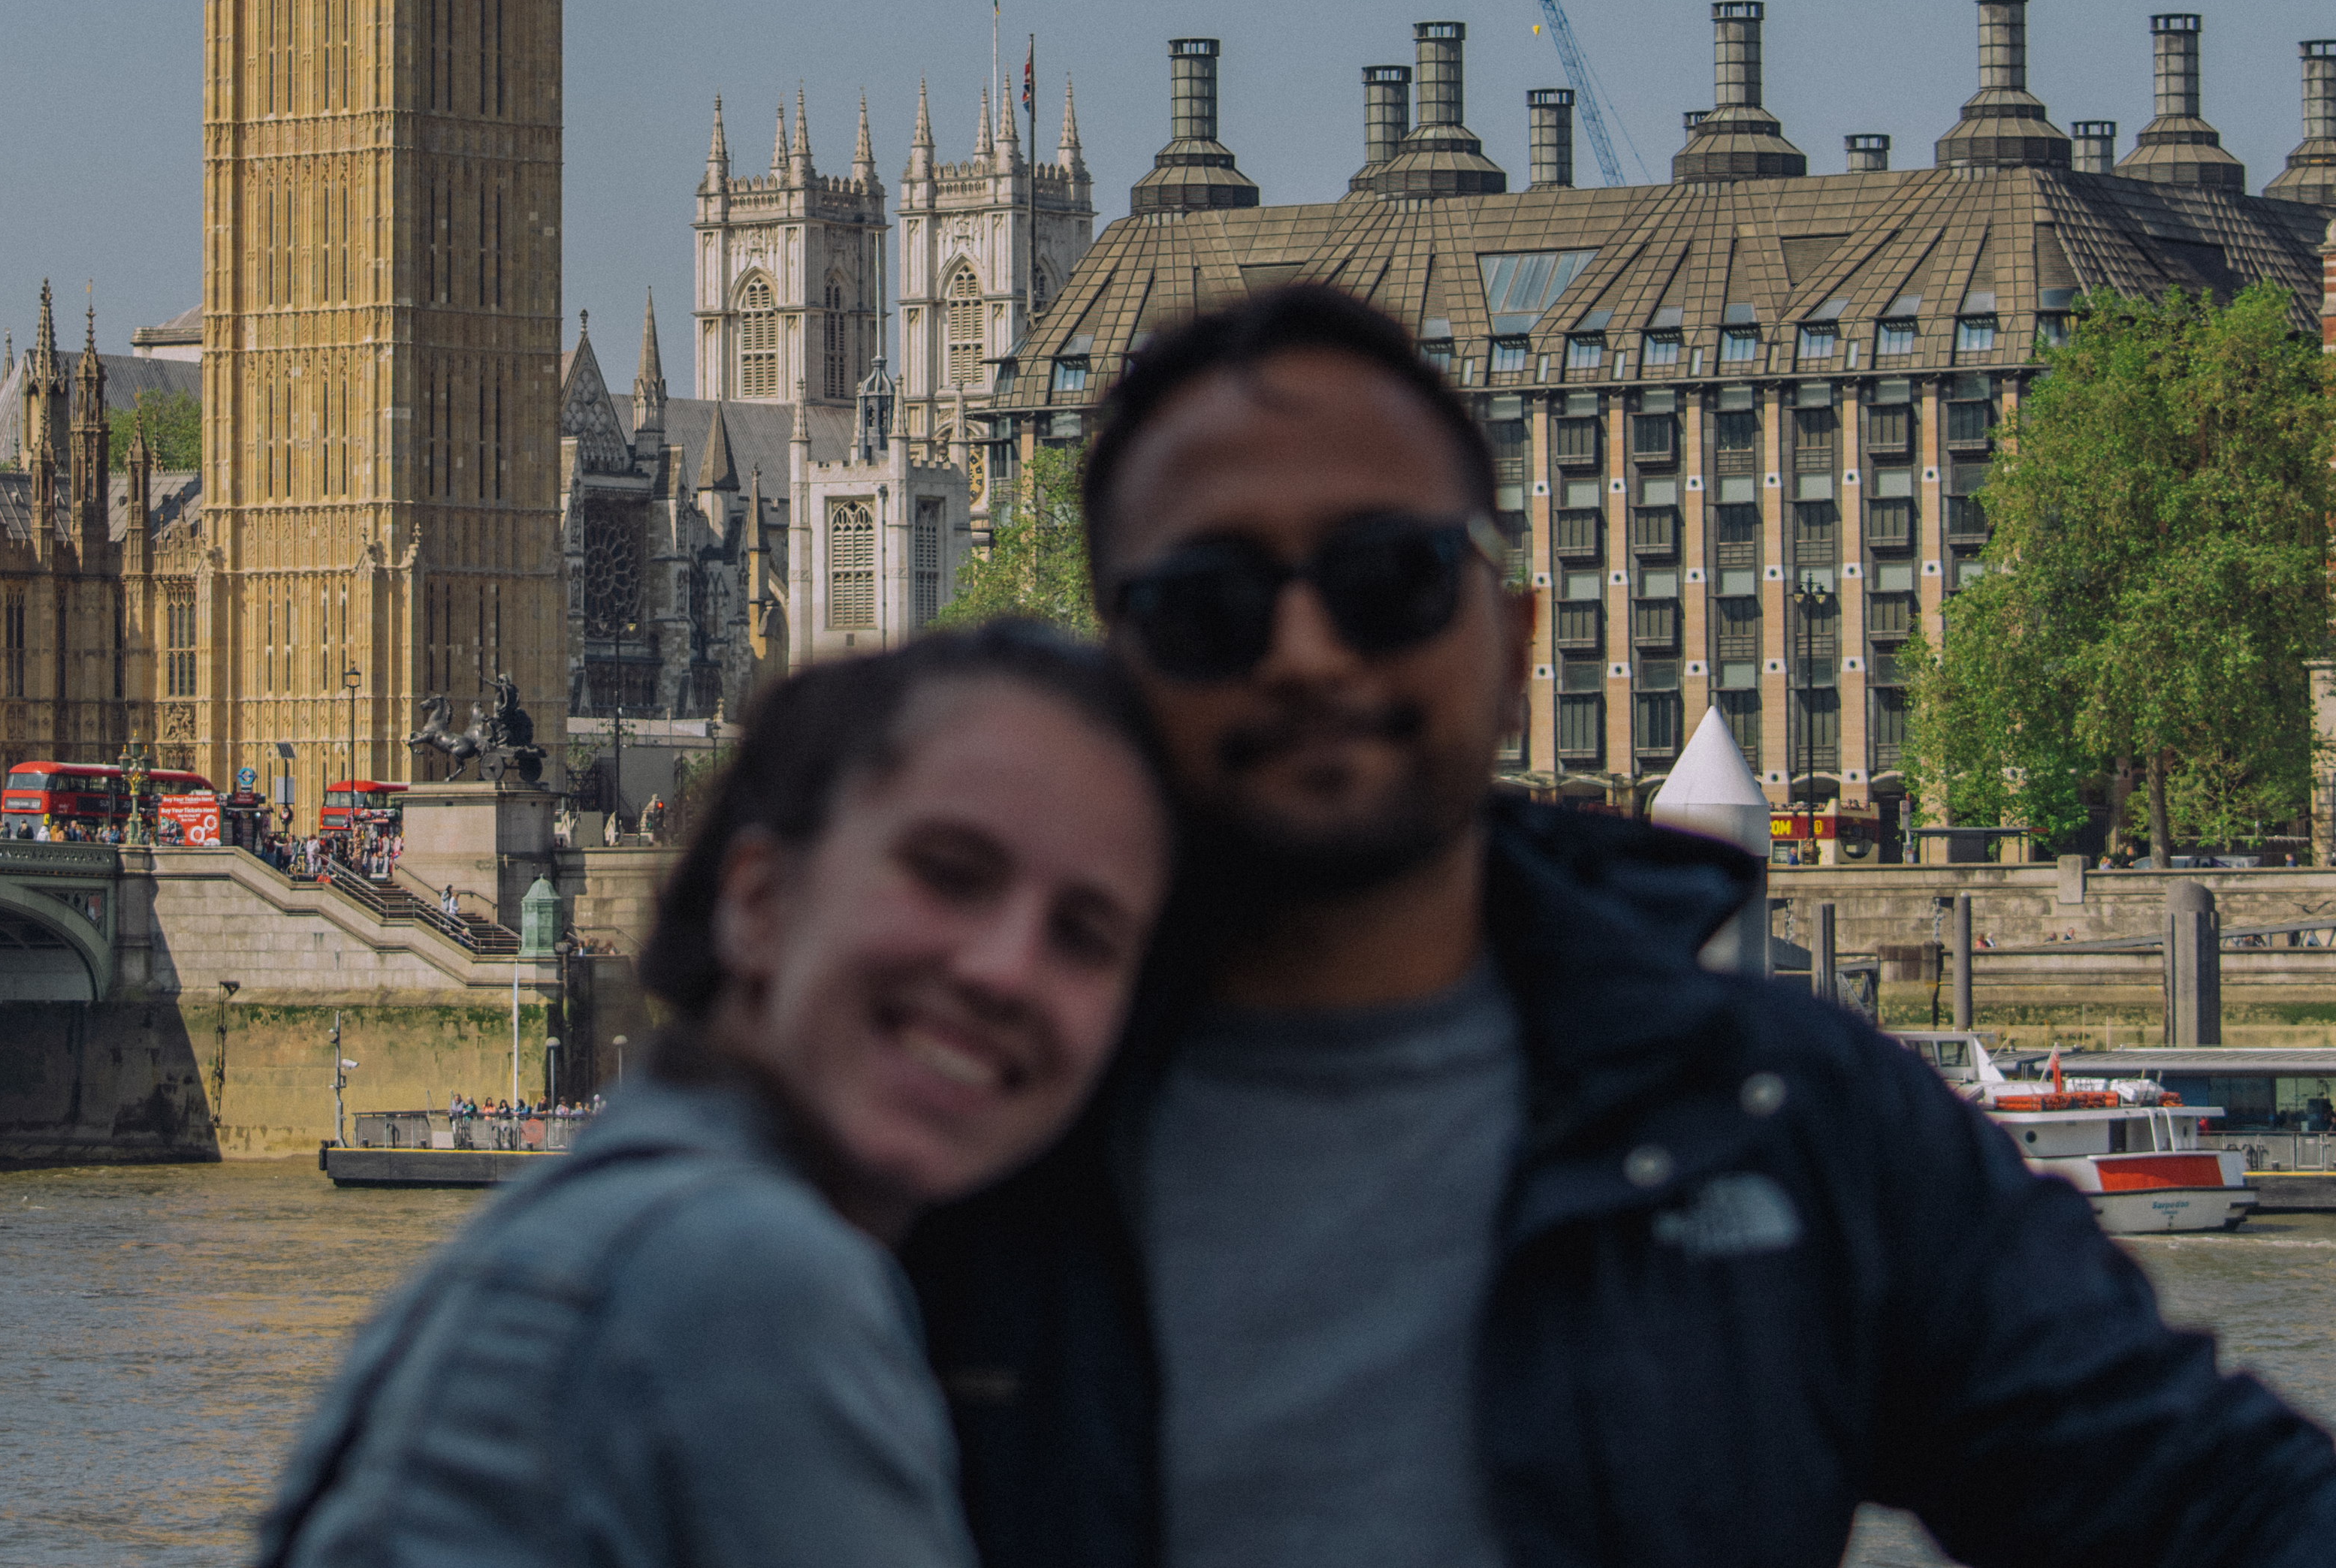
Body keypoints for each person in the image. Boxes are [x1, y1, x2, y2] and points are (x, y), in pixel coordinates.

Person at [905, 280, 2336, 1568]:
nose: (1307, 650)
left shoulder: (1781, 1113)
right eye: (1212, 604)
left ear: (1518, 642)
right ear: (1113, 668)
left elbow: (2204, 1494)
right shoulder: (940, 1132)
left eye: (1385, 579)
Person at [258, 620, 1172, 1568]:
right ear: (759, 901)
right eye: (949, 874)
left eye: (1085, 933)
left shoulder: (554, 1242)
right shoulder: (750, 1276)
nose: (1006, 969)